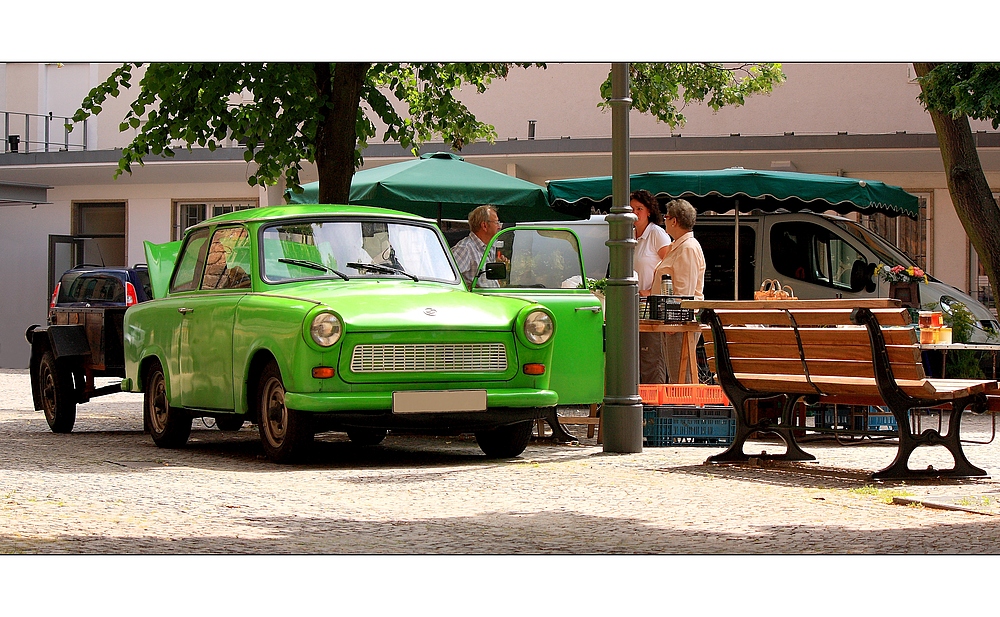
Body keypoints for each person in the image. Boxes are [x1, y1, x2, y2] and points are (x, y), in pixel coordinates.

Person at [653, 198, 706, 384]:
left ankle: (687, 410)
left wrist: (673, 322)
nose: (664, 221)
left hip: (679, 322)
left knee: (681, 377)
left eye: (666, 217)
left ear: (674, 220)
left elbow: (685, 289)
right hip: (673, 320)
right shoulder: (680, 245)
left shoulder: (688, 248)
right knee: (677, 375)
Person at [631, 189, 672, 384]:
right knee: (635, 358)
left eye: (639, 208)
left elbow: (670, 266)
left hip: (651, 306)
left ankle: (655, 408)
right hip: (633, 307)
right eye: (631, 209)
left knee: (651, 358)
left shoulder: (657, 234)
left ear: (649, 211)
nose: (635, 213)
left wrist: (651, 291)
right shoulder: (628, 235)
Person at [452, 205, 503, 288]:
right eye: (496, 222)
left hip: (492, 299)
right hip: (477, 300)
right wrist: (469, 290)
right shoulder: (465, 248)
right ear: (484, 226)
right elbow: (449, 278)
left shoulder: (489, 246)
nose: (499, 227)